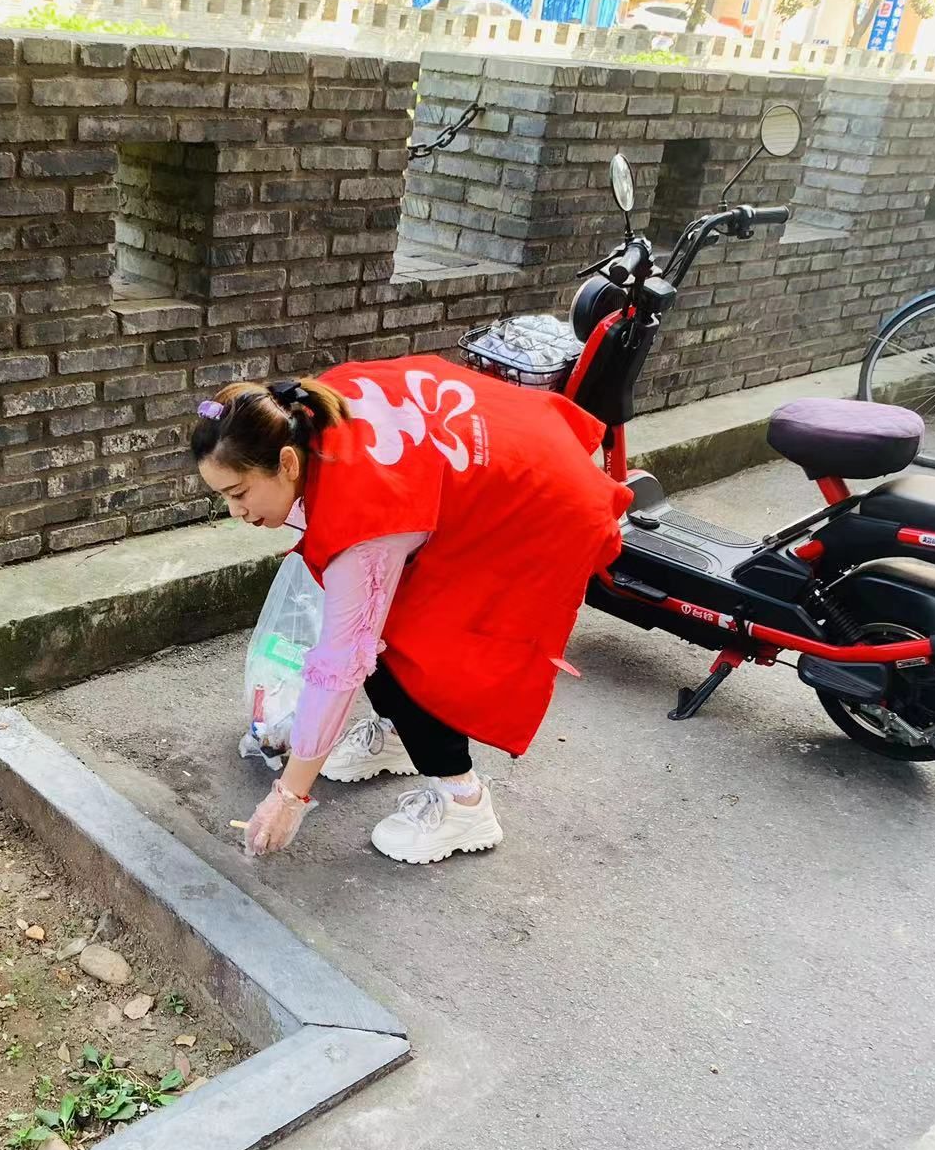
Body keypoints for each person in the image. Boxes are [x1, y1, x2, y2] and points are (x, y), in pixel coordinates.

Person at [191, 354, 632, 864]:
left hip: (537, 504)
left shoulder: (364, 513)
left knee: (407, 642)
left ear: (287, 463)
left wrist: (289, 796)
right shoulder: (305, 409)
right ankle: (400, 732)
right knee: (377, 618)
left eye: (239, 493)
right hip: (509, 458)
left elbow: (344, 659)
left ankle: (464, 801)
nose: (236, 512)